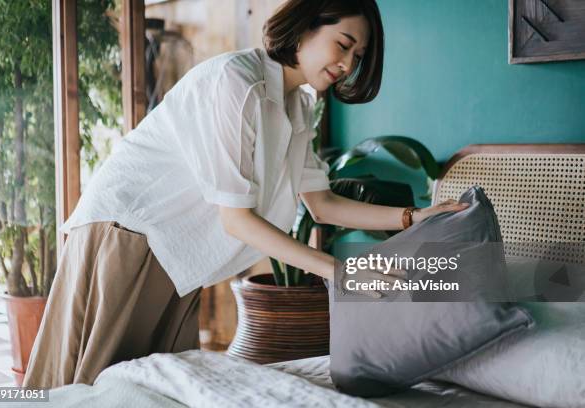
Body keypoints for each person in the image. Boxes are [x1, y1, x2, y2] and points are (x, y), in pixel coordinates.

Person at [24, 0, 468, 388]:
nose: (349, 63)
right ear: (307, 25)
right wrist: (341, 273)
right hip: (130, 234)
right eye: (344, 44)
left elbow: (321, 202)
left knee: (150, 387)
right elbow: (236, 219)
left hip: (178, 254)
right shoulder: (238, 82)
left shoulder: (298, 104)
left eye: (359, 54)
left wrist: (414, 217)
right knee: (89, 387)